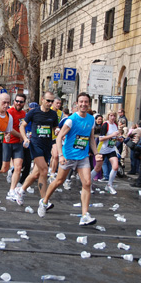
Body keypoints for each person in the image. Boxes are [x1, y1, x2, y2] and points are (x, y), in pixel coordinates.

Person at [39, 92, 98, 226]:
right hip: (68, 156)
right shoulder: (72, 120)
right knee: (59, 181)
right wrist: (60, 155)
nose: (83, 104)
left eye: (86, 102)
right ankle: (44, 201)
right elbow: (59, 138)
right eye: (81, 102)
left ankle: (84, 215)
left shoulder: (91, 119)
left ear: (89, 104)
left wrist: (96, 153)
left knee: (87, 183)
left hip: (83, 156)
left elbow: (91, 139)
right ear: (77, 104)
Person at [14, 92, 59, 206]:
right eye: (48, 101)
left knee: (35, 174)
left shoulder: (53, 114)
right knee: (44, 170)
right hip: (35, 144)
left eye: (52, 101)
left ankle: (21, 190)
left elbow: (55, 127)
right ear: (42, 99)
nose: (50, 103)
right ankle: (44, 200)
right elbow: (22, 125)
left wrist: (57, 130)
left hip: (46, 145)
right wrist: (25, 138)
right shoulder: (33, 112)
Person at [3, 94, 26, 202]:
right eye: (17, 101)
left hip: (18, 144)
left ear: (24, 103)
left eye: (21, 102)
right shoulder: (9, 112)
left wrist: (26, 136)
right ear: (14, 101)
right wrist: (21, 136)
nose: (18, 103)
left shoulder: (24, 114)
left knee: (18, 167)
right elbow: (9, 128)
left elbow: (24, 127)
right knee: (4, 168)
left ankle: (11, 191)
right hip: (7, 143)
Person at [92, 111, 121, 194]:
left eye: (114, 116)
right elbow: (101, 139)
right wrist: (112, 135)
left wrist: (118, 138)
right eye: (111, 115)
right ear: (108, 116)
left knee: (115, 167)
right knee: (97, 168)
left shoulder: (115, 125)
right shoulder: (105, 125)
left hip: (111, 149)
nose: (112, 117)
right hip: (102, 149)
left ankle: (109, 185)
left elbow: (113, 137)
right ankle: (87, 183)